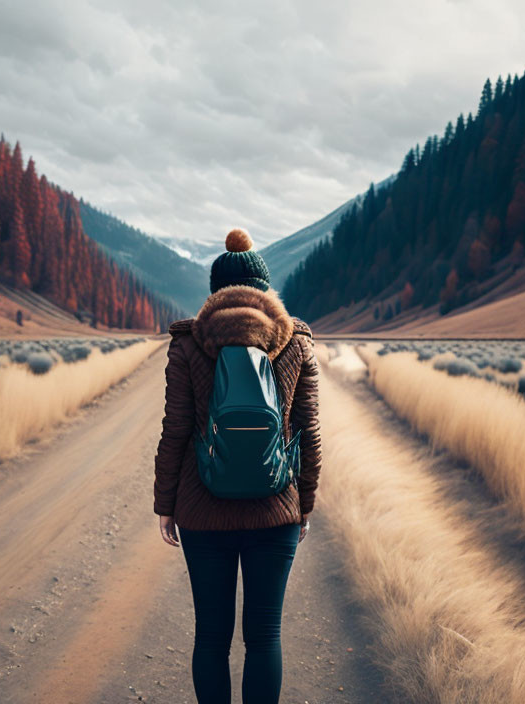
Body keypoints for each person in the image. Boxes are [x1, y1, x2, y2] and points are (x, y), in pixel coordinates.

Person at [153, 227, 322, 704]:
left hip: (202, 511)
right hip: (275, 512)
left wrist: (166, 504)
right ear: (264, 290)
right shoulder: (296, 343)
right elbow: (308, 435)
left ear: (216, 293)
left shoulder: (188, 344)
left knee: (210, 637)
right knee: (264, 636)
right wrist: (303, 505)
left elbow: (175, 430)